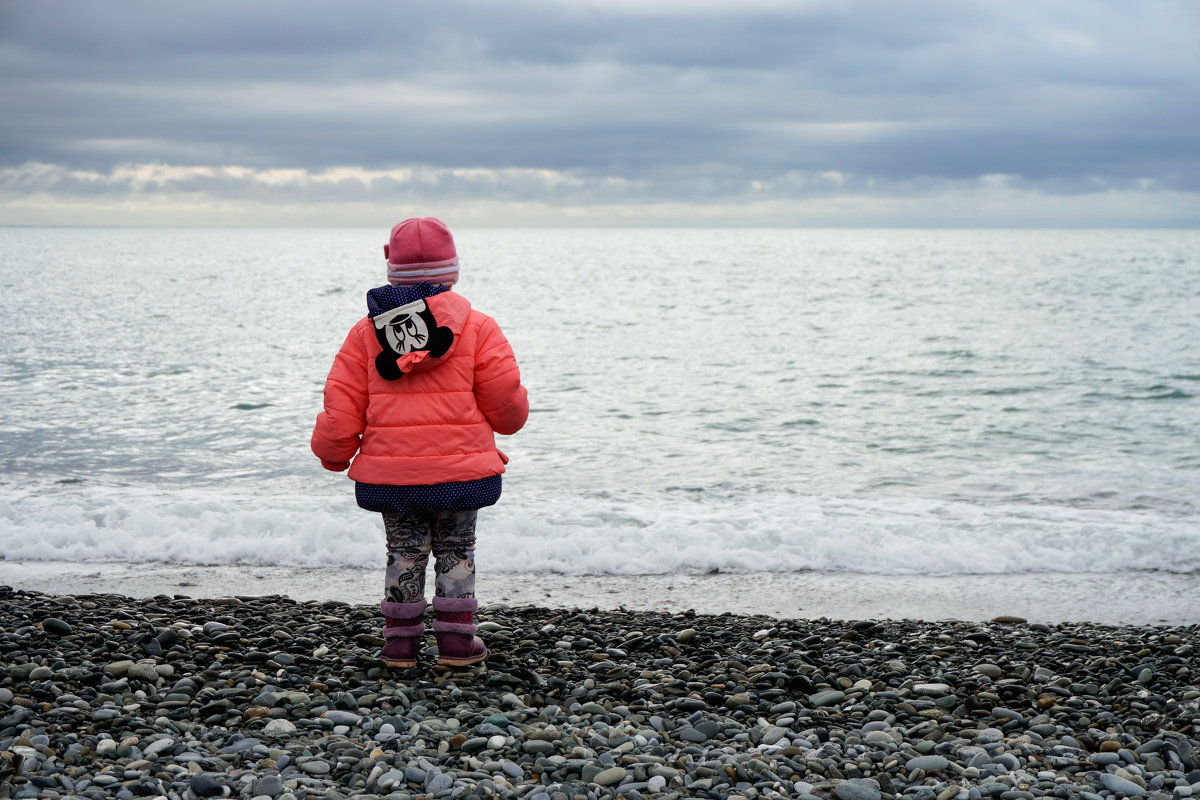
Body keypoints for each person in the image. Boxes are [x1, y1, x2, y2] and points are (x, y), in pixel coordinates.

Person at [311, 217, 528, 668]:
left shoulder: (364, 334)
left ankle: (400, 646)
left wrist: (333, 454)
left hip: (393, 477)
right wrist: (512, 413)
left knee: (404, 552)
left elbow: (342, 406)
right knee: (456, 550)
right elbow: (506, 405)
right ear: (453, 271)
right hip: (461, 474)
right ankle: (455, 645)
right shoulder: (479, 328)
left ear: (390, 267)